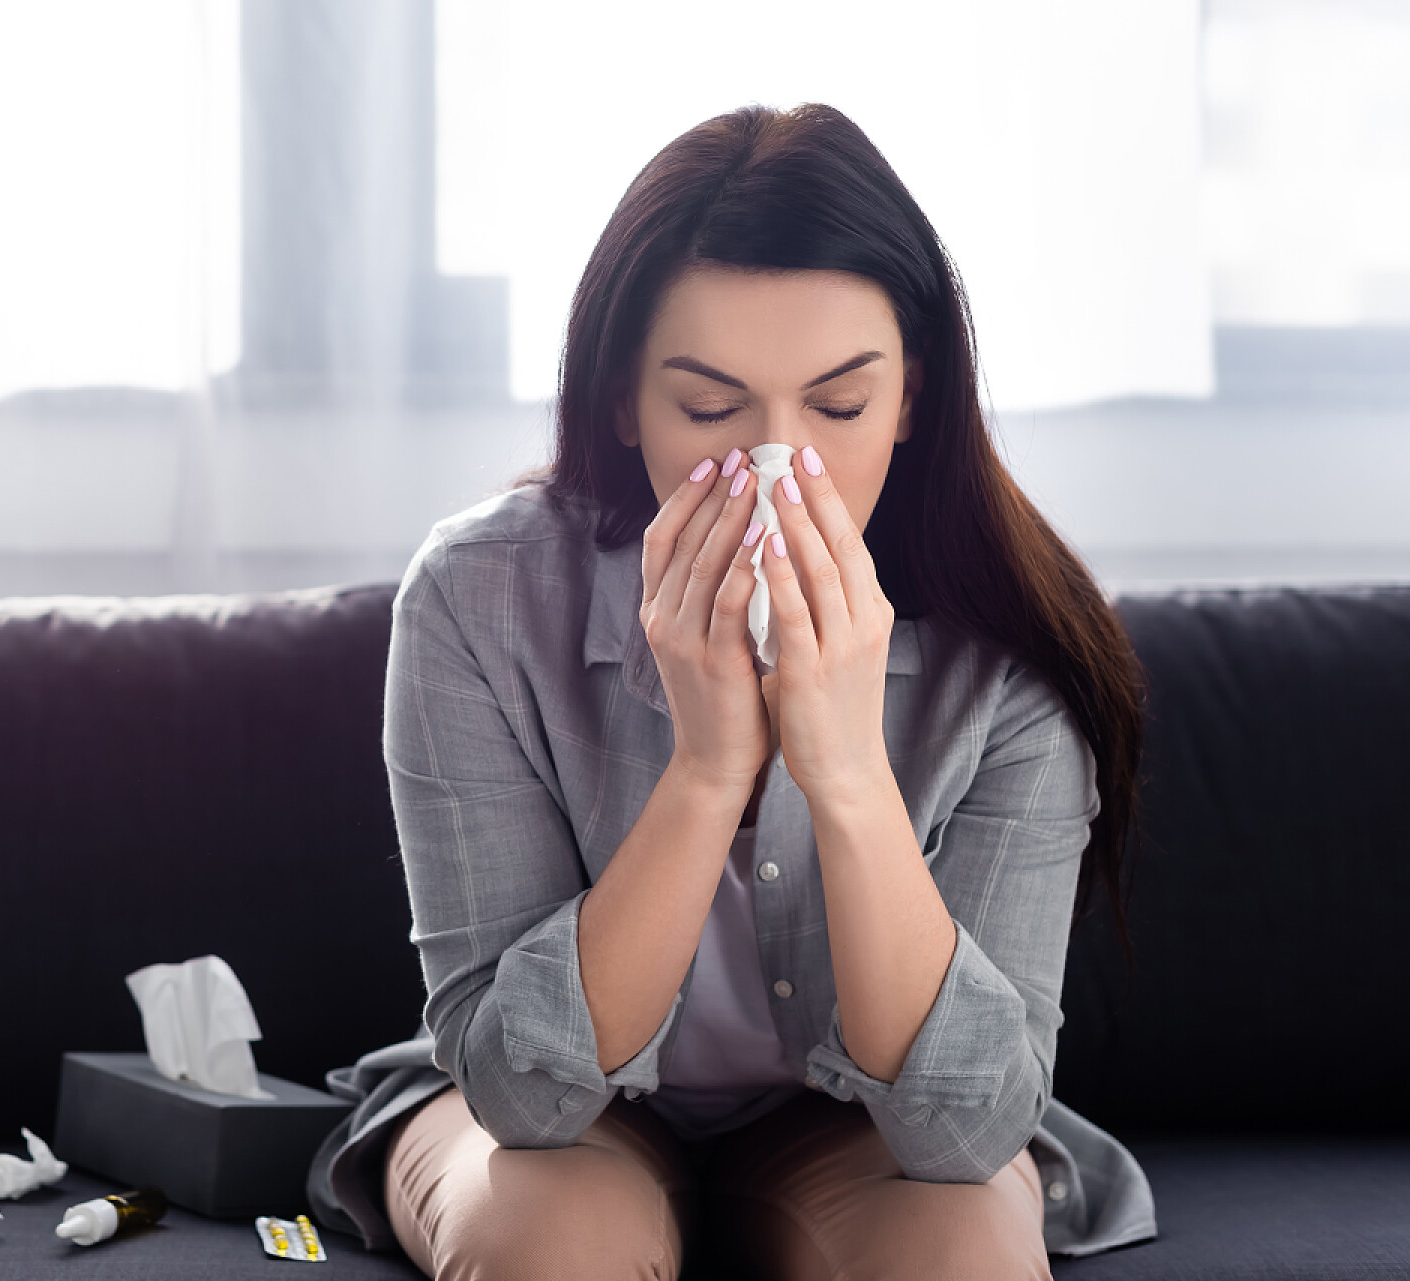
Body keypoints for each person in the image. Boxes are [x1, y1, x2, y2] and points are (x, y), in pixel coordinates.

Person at [306, 102, 1159, 1280]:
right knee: (552, 1239)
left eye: (840, 407)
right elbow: (521, 1089)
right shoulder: (480, 600)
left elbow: (963, 1131)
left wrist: (849, 775)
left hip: (854, 1127)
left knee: (958, 1248)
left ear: (911, 397)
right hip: (560, 1118)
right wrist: (710, 769)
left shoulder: (1013, 651)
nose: (777, 468)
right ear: (622, 401)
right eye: (710, 410)